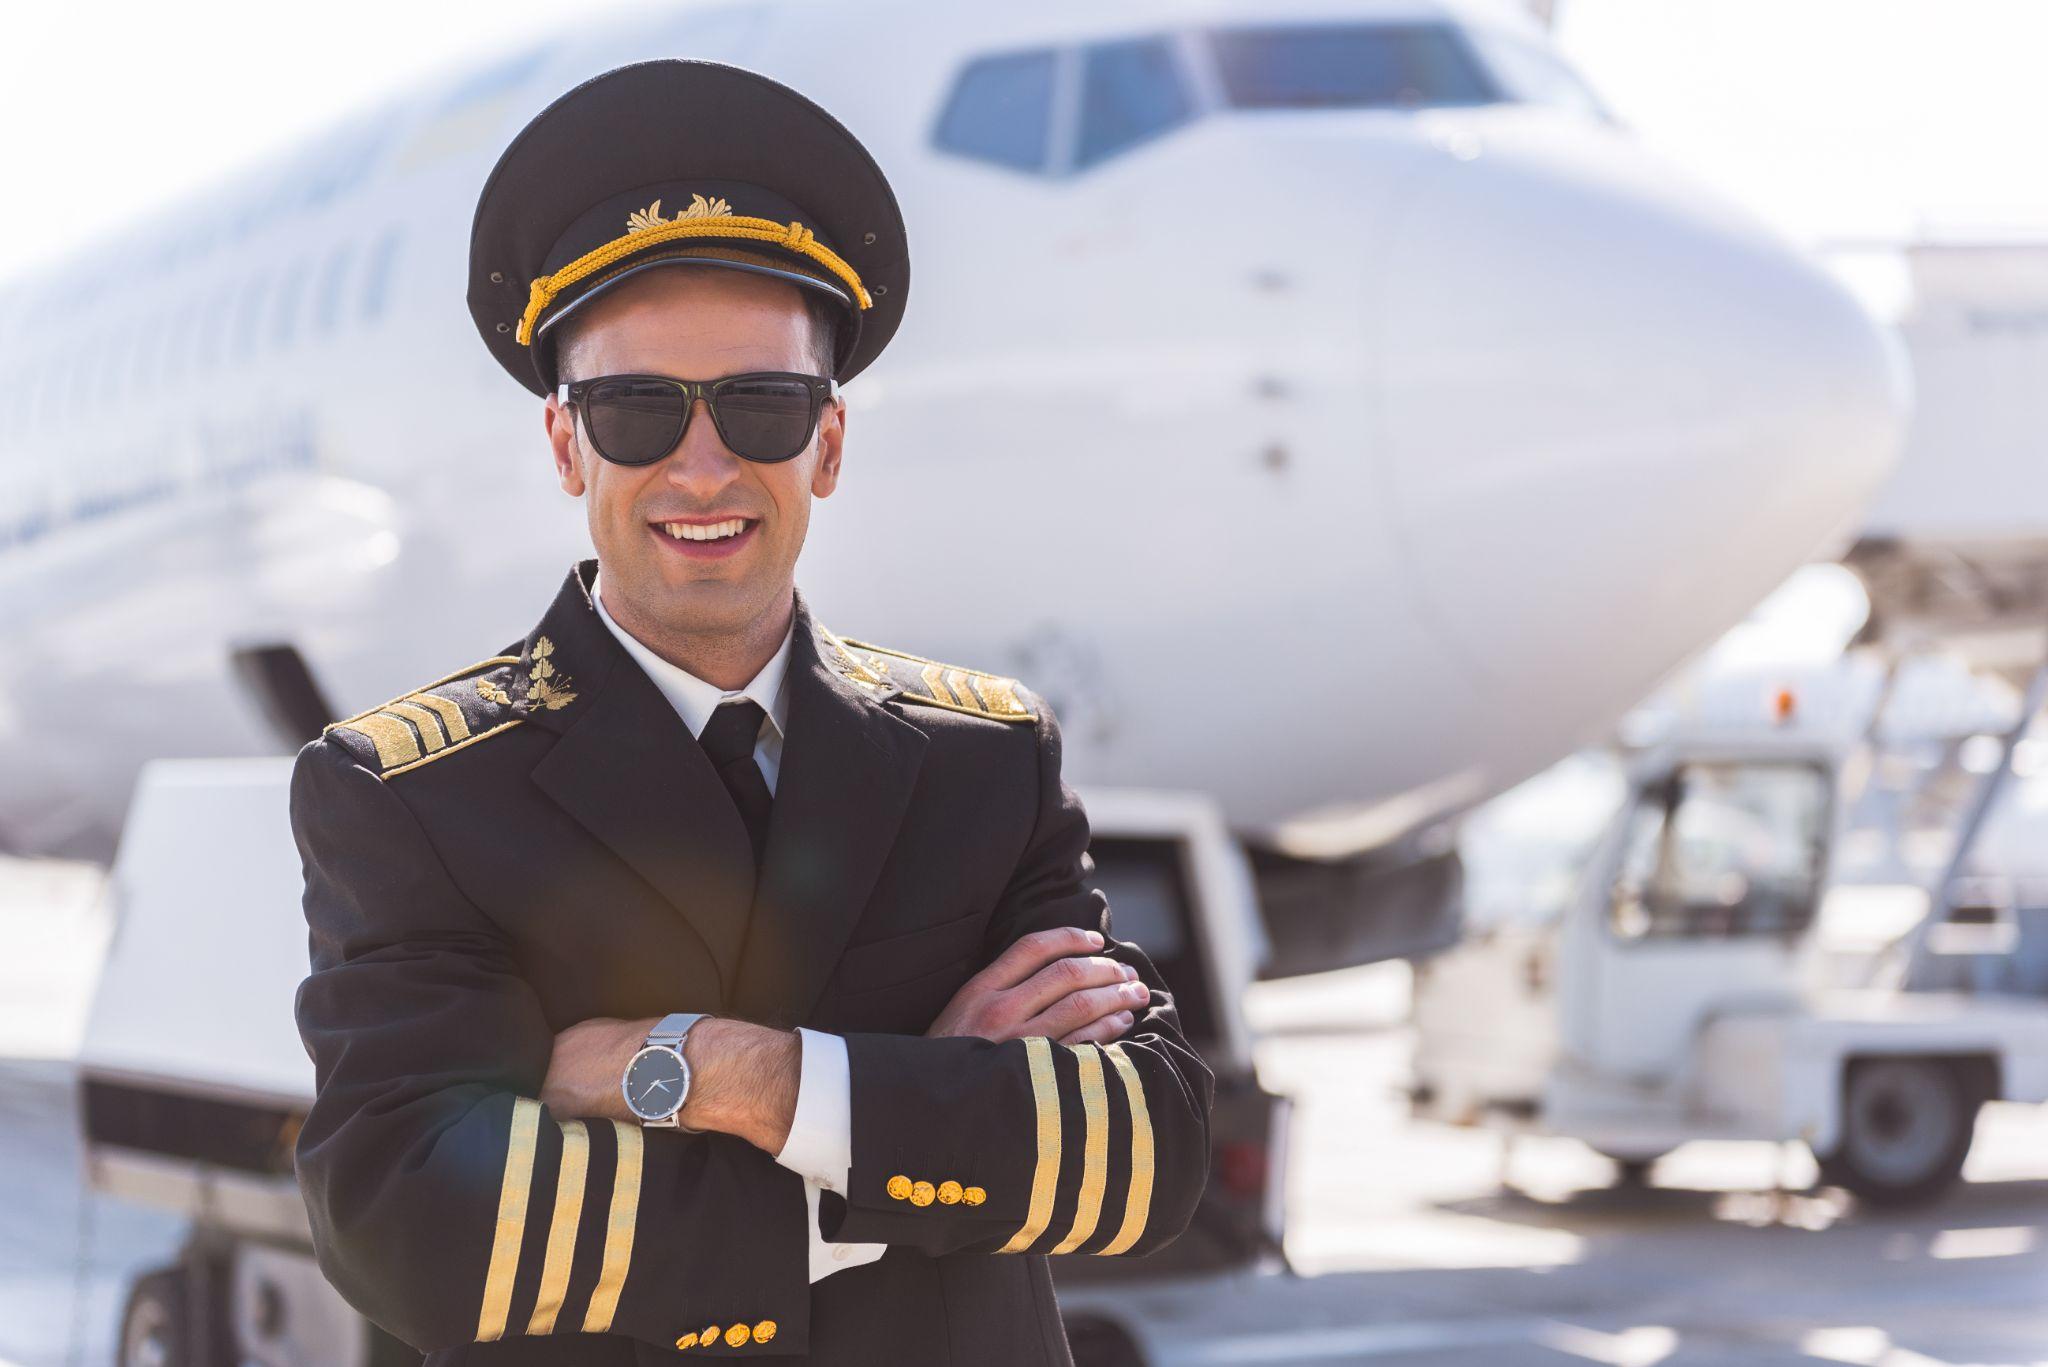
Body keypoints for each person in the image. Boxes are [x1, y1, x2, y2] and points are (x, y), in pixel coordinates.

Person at [289, 58, 1214, 1366]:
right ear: (568, 446)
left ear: (827, 446)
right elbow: (411, 1228)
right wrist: (908, 1120)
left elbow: (1146, 1154)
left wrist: (731, 1074)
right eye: (636, 408)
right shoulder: (411, 792)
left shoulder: (983, 758)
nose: (704, 463)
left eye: (764, 405)